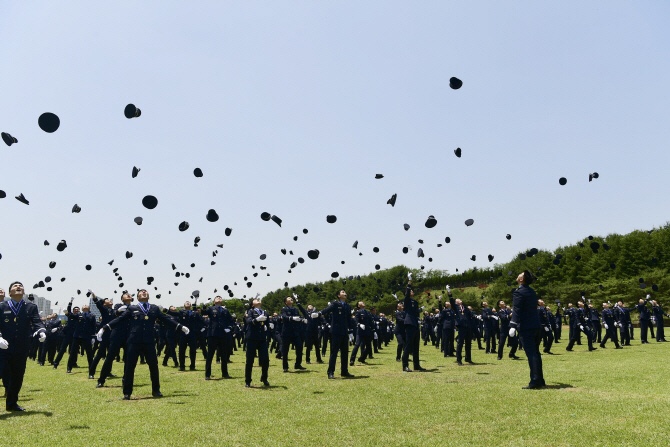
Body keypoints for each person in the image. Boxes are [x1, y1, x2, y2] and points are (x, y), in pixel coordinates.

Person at [97, 289, 190, 399]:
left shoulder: (154, 308)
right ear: (137, 297)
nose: (144, 292)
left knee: (153, 366)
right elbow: (120, 319)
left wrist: (180, 327)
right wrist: (104, 328)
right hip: (133, 341)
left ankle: (156, 390)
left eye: (145, 292)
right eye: (141, 292)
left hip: (149, 341)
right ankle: (127, 392)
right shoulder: (132, 308)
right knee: (130, 367)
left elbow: (166, 319)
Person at [0, 281, 46, 411]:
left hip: (21, 347)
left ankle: (11, 403)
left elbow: (37, 322)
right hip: (2, 347)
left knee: (17, 375)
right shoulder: (2, 306)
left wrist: (41, 331)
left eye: (21, 286)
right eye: (15, 286)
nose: (18, 287)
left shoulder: (30, 307)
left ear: (24, 292)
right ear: (10, 292)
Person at [509, 271, 545, 389]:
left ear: (521, 279)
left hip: (526, 327)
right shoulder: (531, 291)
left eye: (520, 274)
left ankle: (535, 381)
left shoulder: (519, 292)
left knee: (531, 354)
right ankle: (540, 379)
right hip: (536, 325)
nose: (518, 275)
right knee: (536, 353)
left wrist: (513, 325)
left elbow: (517, 309)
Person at [316, 290, 354, 379]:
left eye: (345, 292)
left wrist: (351, 331)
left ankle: (344, 371)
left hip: (344, 332)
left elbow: (349, 319)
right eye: (343, 292)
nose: (345, 293)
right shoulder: (335, 304)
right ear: (338, 295)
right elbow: (326, 310)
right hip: (336, 331)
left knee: (345, 353)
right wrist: (319, 313)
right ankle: (330, 372)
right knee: (334, 352)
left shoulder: (348, 306)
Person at [202, 296, 234, 379]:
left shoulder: (225, 310)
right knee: (210, 355)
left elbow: (231, 321)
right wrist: (204, 305)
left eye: (220, 298)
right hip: (213, 334)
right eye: (217, 297)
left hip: (223, 334)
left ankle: (225, 373)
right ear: (214, 301)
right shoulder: (211, 308)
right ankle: (207, 374)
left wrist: (229, 328)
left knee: (224, 354)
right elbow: (203, 313)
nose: (219, 298)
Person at [244, 299, 270, 387]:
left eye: (259, 300)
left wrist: (268, 326)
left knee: (265, 360)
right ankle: (248, 380)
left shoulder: (265, 312)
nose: (258, 301)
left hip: (262, 338)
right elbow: (248, 321)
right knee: (250, 360)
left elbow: (267, 323)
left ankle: (264, 378)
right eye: (256, 300)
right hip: (252, 338)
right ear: (252, 304)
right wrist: (257, 319)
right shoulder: (250, 311)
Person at [401, 274, 425, 372]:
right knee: (408, 345)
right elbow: (407, 293)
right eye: (410, 291)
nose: (412, 291)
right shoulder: (406, 301)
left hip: (415, 324)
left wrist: (419, 314)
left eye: (412, 290)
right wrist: (409, 281)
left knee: (416, 346)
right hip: (409, 324)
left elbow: (416, 312)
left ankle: (416, 365)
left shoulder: (415, 302)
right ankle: (405, 365)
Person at [279, 295, 308, 372]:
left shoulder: (295, 309)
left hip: (295, 332)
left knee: (299, 347)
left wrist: (302, 319)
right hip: (286, 332)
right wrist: (292, 318)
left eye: (291, 298)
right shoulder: (284, 309)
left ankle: (297, 364)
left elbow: (299, 316)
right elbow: (284, 317)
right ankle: (285, 366)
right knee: (285, 350)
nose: (291, 299)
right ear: (286, 302)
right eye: (289, 298)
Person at [67, 303, 96, 375]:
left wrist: (93, 337)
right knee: (73, 352)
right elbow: (70, 314)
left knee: (89, 354)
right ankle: (69, 367)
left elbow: (93, 327)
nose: (85, 305)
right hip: (77, 336)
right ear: (82, 308)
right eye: (83, 305)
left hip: (87, 336)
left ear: (89, 308)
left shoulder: (92, 316)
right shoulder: (79, 315)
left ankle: (91, 370)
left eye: (86, 305)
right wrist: (70, 304)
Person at [448, 286, 473, 366]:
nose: (459, 299)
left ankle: (468, 358)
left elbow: (470, 315)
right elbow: (451, 301)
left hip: (468, 326)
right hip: (461, 326)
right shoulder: (455, 307)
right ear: (456, 302)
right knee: (460, 343)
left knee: (468, 343)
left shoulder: (465, 307)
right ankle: (459, 359)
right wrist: (449, 292)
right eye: (457, 299)